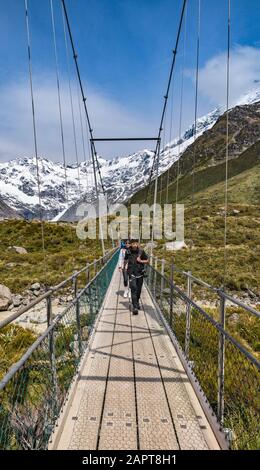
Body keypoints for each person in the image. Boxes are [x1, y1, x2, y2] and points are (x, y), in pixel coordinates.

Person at [124, 239, 149, 315]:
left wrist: (141, 261)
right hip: (131, 273)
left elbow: (147, 261)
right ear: (131, 244)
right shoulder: (128, 251)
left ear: (138, 244)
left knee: (138, 290)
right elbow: (125, 259)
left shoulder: (141, 252)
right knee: (133, 289)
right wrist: (124, 266)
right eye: (133, 243)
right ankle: (135, 307)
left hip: (140, 273)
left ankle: (137, 301)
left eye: (136, 243)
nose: (134, 245)